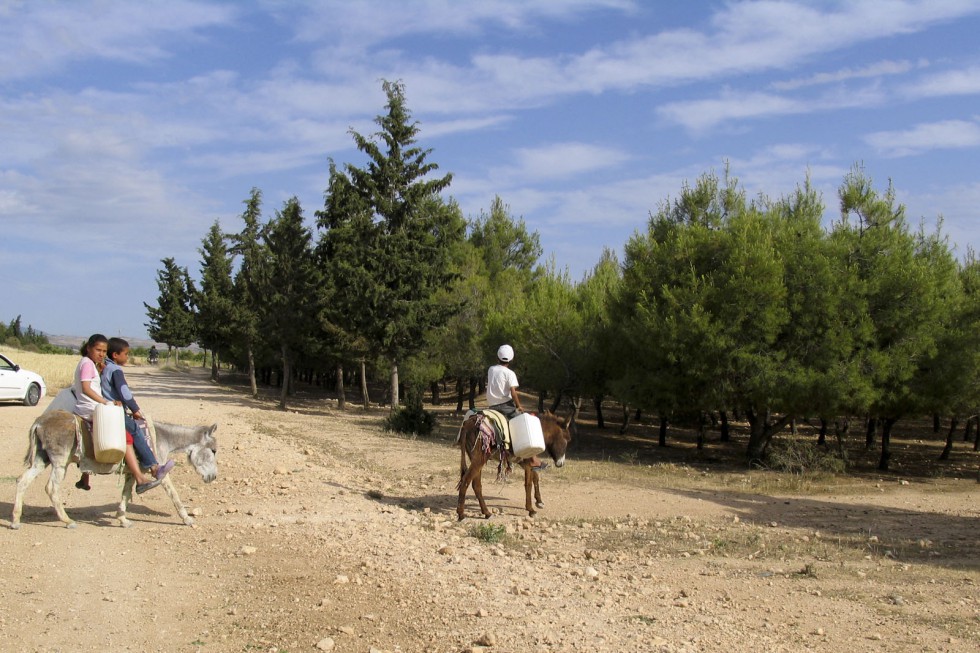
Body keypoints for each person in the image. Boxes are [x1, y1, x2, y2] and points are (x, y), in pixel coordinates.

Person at [73, 334, 161, 495]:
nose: (101, 354)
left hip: (89, 406)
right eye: (98, 350)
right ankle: (143, 474)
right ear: (88, 348)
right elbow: (87, 388)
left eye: (103, 351)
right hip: (91, 408)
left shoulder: (93, 364)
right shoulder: (89, 364)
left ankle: (85, 477)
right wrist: (107, 403)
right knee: (126, 436)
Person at [101, 337, 174, 481]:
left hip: (107, 408)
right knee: (136, 430)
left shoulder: (106, 367)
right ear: (115, 355)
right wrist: (135, 409)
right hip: (115, 411)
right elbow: (124, 392)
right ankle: (153, 466)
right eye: (126, 353)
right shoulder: (115, 369)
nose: (127, 356)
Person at [486, 344, 547, 471]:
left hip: (491, 406)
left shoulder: (491, 369)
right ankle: (533, 459)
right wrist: (519, 406)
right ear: (511, 359)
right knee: (525, 422)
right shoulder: (510, 373)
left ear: (498, 356)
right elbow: (513, 392)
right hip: (505, 406)